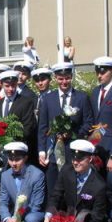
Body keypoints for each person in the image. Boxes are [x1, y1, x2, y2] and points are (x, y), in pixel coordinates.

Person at [39, 139, 109, 222]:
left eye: (80, 159)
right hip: (69, 220)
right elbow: (56, 196)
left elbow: (97, 220)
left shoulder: (99, 185)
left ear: (90, 159)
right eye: (74, 158)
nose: (75, 162)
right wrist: (47, 220)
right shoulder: (66, 171)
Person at [37, 62, 94, 194]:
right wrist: (41, 151)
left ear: (71, 77)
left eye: (67, 78)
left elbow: (88, 123)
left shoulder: (82, 97)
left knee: (72, 190)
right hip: (52, 153)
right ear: (55, 78)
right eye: (60, 78)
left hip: (73, 153)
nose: (64, 82)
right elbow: (43, 127)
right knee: (53, 191)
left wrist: (74, 134)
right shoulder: (48, 99)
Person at [0, 70, 37, 162]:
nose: (10, 89)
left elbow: (28, 128)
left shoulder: (25, 102)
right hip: (1, 152)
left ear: (17, 84)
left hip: (18, 152)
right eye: (7, 86)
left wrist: (8, 137)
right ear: (2, 85)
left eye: (13, 85)